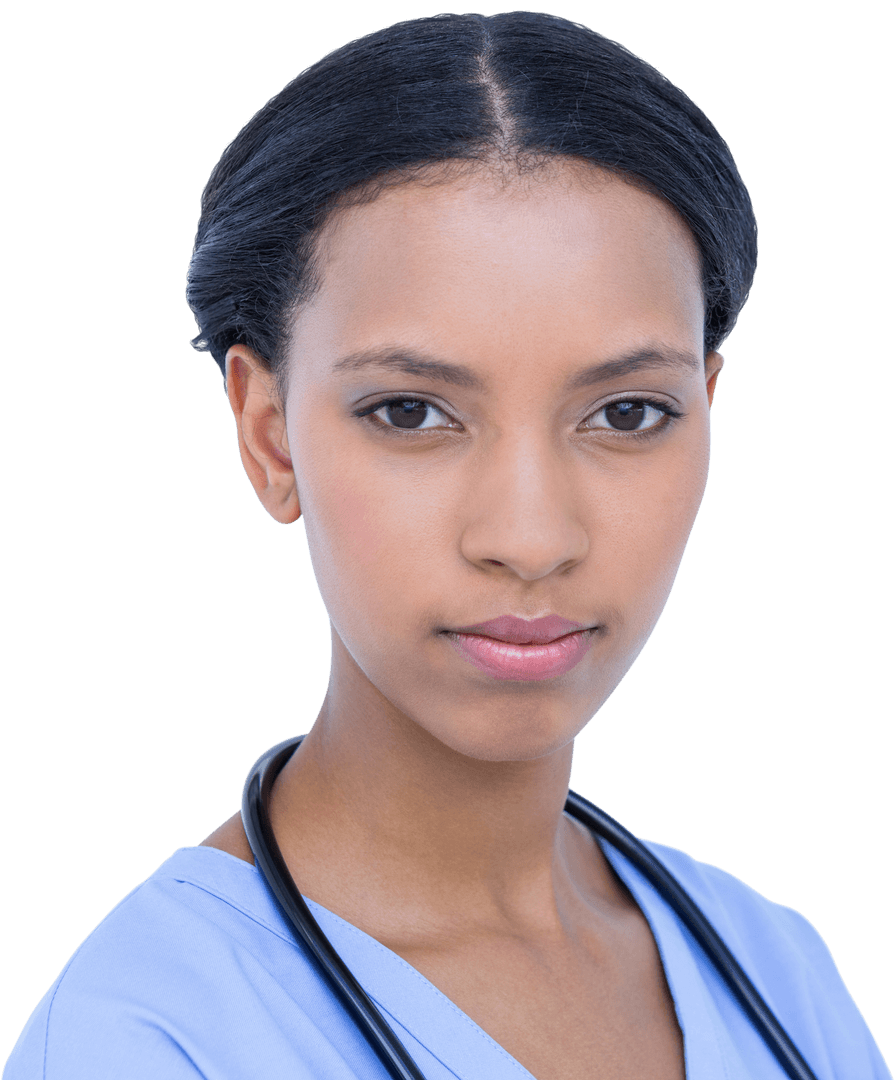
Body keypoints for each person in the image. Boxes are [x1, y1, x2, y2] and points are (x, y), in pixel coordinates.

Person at [4, 11, 889, 1080]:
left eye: (625, 414)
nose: (529, 538)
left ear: (707, 414)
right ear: (268, 434)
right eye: (411, 412)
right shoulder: (148, 1037)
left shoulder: (771, 967)